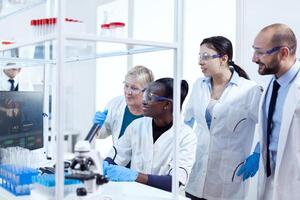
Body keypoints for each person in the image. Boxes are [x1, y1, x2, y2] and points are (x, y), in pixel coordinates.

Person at [183, 36, 263, 200]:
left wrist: (258, 153)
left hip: (228, 178)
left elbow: (268, 127)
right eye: (199, 56)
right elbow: (188, 120)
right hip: (196, 174)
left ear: (224, 58)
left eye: (205, 56)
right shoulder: (199, 85)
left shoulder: (250, 90)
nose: (200, 62)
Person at [238, 23, 300, 200]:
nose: (254, 58)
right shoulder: (273, 83)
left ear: (283, 53)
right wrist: (259, 151)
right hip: (270, 182)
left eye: (260, 52)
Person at [102, 78, 197, 192]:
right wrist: (102, 166)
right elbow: (116, 156)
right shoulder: (137, 126)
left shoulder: (186, 136)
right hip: (135, 194)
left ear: (166, 104)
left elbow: (175, 182)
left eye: (150, 97)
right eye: (145, 95)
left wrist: (135, 176)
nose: (144, 101)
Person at [93, 65, 154, 144]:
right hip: (119, 155)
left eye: (134, 88)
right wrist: (97, 126)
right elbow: (102, 133)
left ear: (146, 91)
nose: (128, 92)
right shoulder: (115, 104)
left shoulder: (155, 111)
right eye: (126, 86)